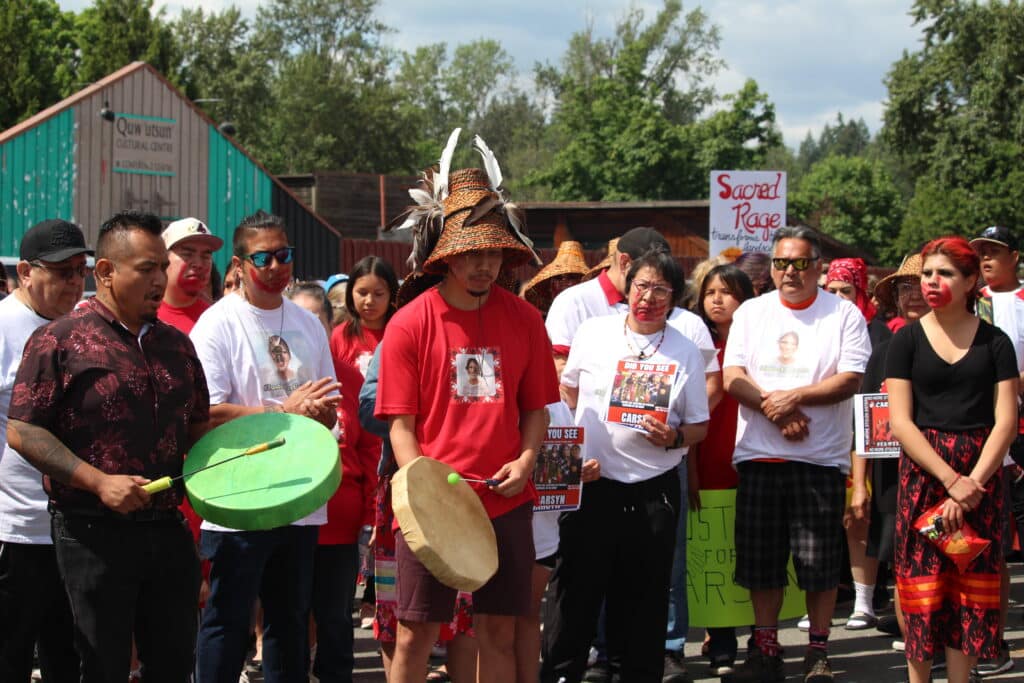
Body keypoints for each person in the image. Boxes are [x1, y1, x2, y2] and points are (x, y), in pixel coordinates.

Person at [376, 134, 558, 683]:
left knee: (498, 633)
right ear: (447, 254)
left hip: (506, 502)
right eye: (470, 252)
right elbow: (399, 426)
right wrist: (426, 490)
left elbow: (537, 411)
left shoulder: (526, 320)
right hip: (430, 505)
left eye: (492, 251)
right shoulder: (409, 322)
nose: (483, 264)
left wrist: (526, 463)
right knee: (415, 634)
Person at [7, 210, 211, 683]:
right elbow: (23, 430)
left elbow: (198, 426)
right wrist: (99, 483)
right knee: (99, 666)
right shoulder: (58, 340)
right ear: (105, 272)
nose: (161, 279)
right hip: (91, 533)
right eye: (146, 268)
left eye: (163, 266)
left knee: (176, 663)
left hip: (168, 529)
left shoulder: (177, 346)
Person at [545, 226, 720, 682]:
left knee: (642, 598)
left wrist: (675, 438)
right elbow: (566, 396)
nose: (648, 297)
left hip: (653, 491)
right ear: (627, 284)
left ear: (674, 297)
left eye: (661, 289)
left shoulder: (685, 349)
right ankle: (562, 673)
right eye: (642, 285)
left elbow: (699, 425)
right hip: (591, 483)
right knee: (576, 592)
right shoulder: (594, 331)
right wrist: (567, 460)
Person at [190, 210, 341, 683]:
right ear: (238, 264)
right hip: (241, 496)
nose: (277, 266)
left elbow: (330, 404)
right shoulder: (217, 325)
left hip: (299, 494)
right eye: (263, 257)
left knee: (291, 622)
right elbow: (206, 414)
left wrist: (321, 414)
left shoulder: (308, 323)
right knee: (228, 621)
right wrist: (285, 412)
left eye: (284, 254)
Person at [723, 226, 871, 683]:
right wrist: (776, 406)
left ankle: (818, 651)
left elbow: (850, 379)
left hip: (819, 461)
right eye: (781, 263)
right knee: (761, 562)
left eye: (800, 263)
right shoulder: (752, 312)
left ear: (818, 267)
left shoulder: (843, 314)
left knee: (819, 563)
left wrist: (795, 397)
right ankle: (765, 648)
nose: (789, 272)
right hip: (759, 456)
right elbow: (733, 376)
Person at [886, 237, 1018, 683]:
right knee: (922, 590)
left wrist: (972, 485)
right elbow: (901, 423)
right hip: (923, 478)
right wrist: (949, 480)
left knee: (970, 592)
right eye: (926, 274)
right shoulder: (905, 341)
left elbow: (1006, 421)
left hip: (981, 480)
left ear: (970, 281)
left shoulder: (996, 342)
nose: (931, 282)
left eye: (943, 274)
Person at [0, 219, 91, 682]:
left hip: (76, 525)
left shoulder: (84, 327)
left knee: (67, 658)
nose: (73, 282)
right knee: (10, 654)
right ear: (25, 272)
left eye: (80, 270)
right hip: (15, 528)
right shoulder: (3, 327)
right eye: (60, 272)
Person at [687, 263, 756, 676]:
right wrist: (692, 469)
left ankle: (761, 637)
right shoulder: (695, 347)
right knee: (714, 554)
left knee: (753, 552)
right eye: (710, 291)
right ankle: (722, 638)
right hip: (707, 462)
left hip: (754, 462)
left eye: (727, 292)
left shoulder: (759, 346)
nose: (717, 299)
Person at [823, 257, 894, 633]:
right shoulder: (816, 327)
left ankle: (864, 602)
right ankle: (824, 599)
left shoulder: (879, 334)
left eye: (846, 291)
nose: (838, 298)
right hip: (823, 436)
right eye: (831, 291)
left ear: (861, 291)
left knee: (860, 520)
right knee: (823, 522)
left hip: (865, 439)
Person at [967, 225, 1024, 677]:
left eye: (994, 252)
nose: (986, 258)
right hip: (977, 429)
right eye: (980, 252)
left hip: (1018, 424)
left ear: (1015, 257)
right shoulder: (971, 300)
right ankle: (987, 638)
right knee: (988, 542)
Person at [330, 256, 398, 378]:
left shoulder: (401, 335)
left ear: (391, 295)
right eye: (362, 293)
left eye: (378, 294)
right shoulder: (338, 336)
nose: (369, 301)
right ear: (350, 293)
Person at [157, 217, 224, 334]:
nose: (198, 264)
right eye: (187, 254)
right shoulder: (140, 316)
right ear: (164, 258)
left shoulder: (220, 320)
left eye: (205, 256)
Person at [521, 240, 590, 316]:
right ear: (551, 287)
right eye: (559, 277)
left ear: (583, 283)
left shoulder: (593, 317)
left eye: (572, 277)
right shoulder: (542, 320)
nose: (564, 282)